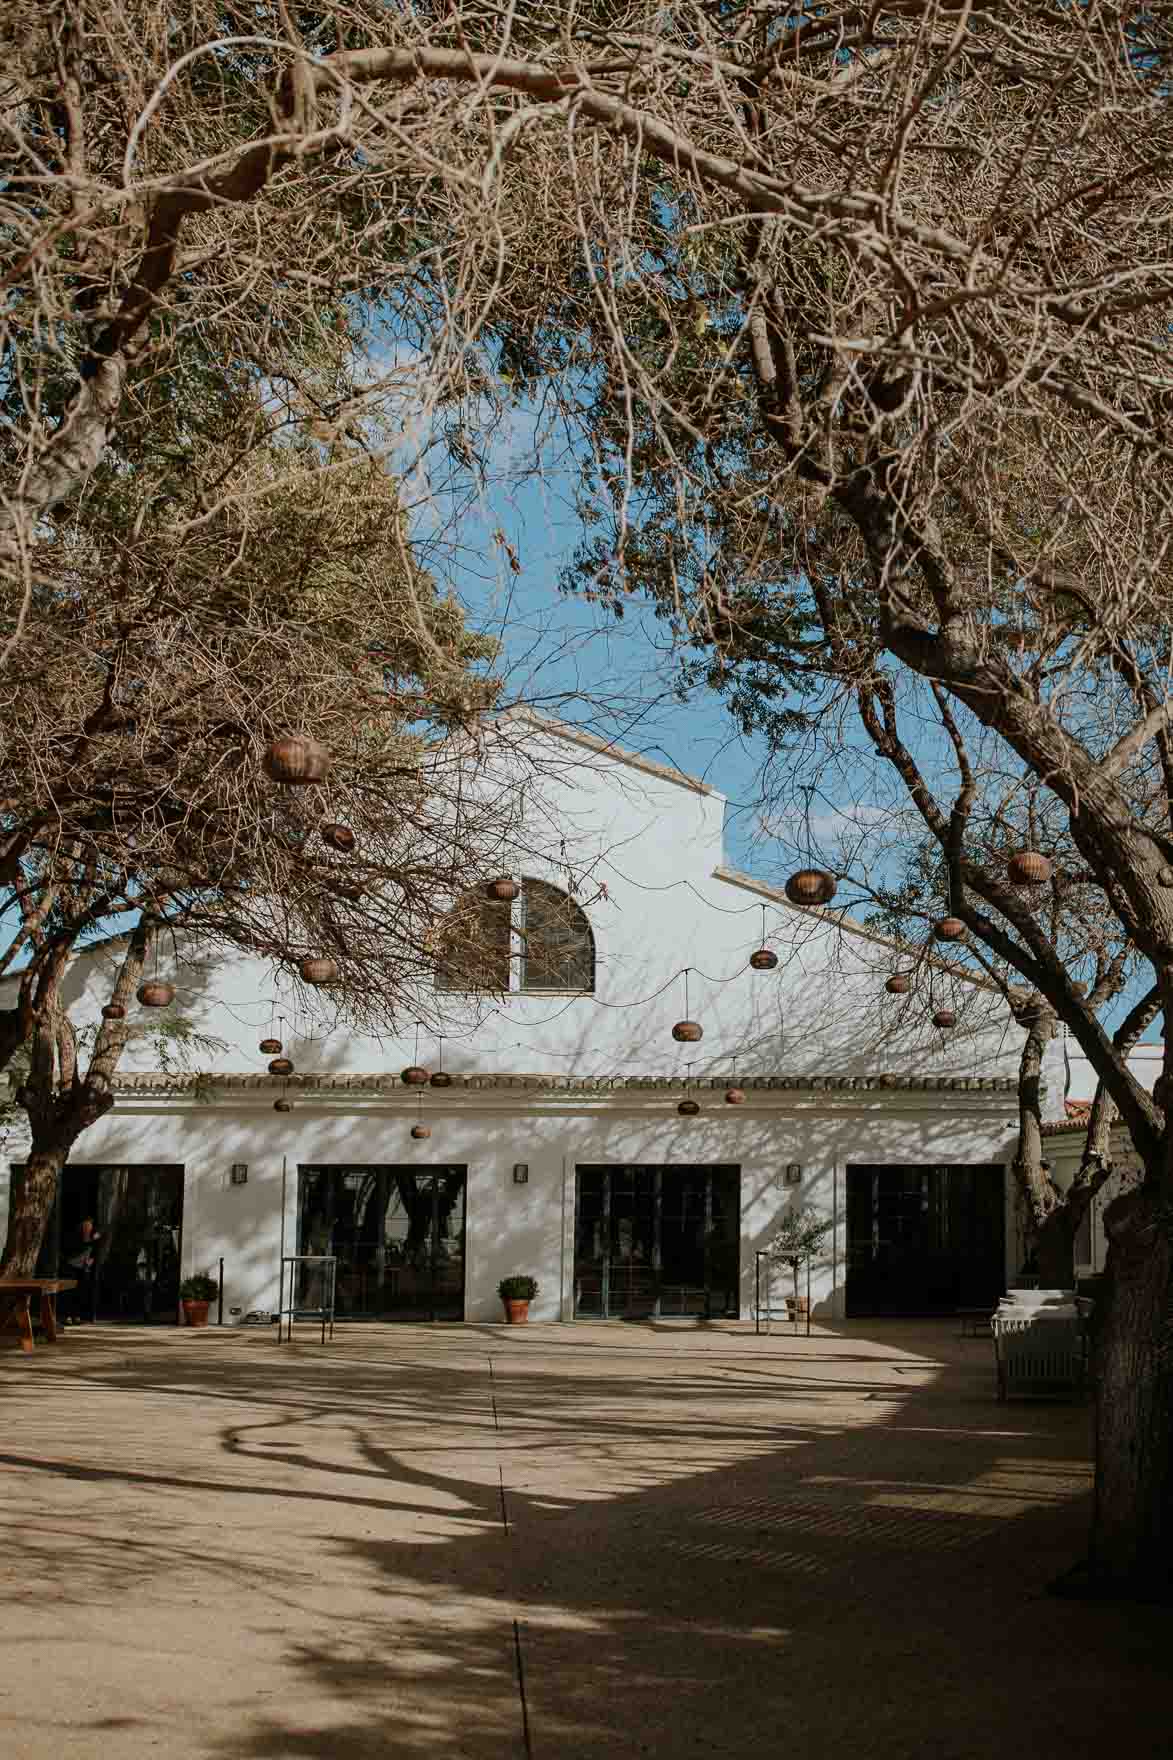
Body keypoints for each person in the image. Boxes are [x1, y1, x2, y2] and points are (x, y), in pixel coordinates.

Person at [64, 1217, 101, 1323]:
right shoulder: (77, 1238)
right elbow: (79, 1248)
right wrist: (93, 1240)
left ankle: (77, 1316)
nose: (88, 1228)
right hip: (73, 1266)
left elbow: (95, 1253)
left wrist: (91, 1260)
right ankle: (68, 1316)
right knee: (70, 1291)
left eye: (89, 1226)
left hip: (84, 1268)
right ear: (81, 1227)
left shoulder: (93, 1239)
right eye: (85, 1226)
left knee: (81, 1292)